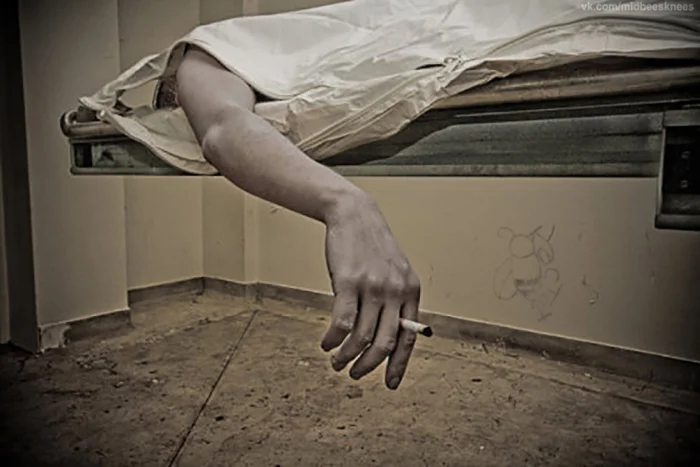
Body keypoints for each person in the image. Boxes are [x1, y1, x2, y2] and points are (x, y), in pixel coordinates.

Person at [175, 47, 422, 391]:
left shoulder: (228, 47)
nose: (180, 100)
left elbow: (222, 123)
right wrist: (349, 203)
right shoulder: (212, 51)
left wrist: (349, 203)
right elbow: (222, 127)